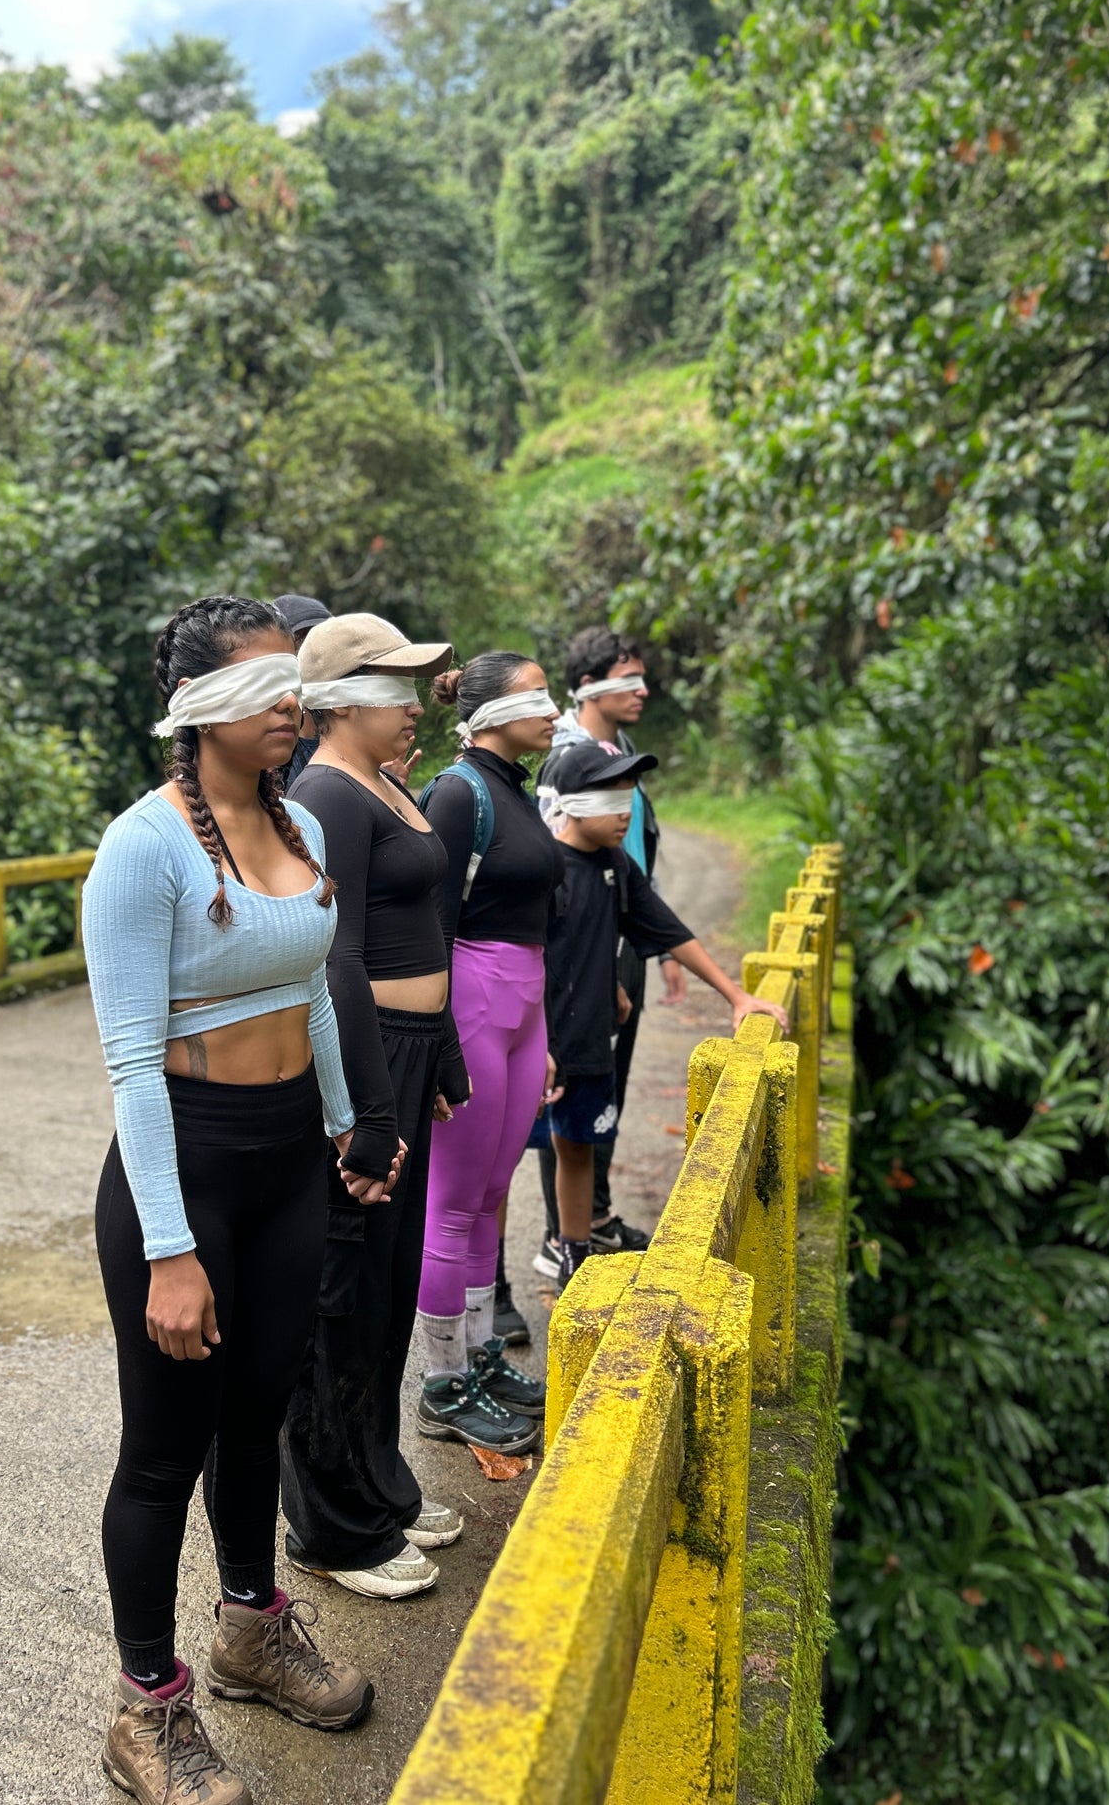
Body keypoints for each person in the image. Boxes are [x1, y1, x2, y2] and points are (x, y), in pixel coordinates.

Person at [83, 596, 391, 1805]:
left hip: (283, 1164)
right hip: (187, 1168)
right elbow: (128, 1062)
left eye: (297, 688)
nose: (293, 708)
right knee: (163, 1450)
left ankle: (250, 1629)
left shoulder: (302, 820)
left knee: (260, 1409)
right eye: (268, 690)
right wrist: (169, 1247)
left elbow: (308, 983)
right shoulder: (142, 847)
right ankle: (146, 1710)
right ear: (196, 710)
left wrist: (339, 1130)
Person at [280, 613, 474, 1600]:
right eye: (396, 688)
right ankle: (329, 1524)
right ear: (343, 702)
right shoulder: (324, 794)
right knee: (341, 1300)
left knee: (386, 1295)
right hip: (361, 1062)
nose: (412, 705)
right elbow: (335, 954)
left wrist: (438, 1056)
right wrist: (366, 1104)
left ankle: (379, 1483)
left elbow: (421, 931)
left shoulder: (385, 781)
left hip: (404, 1051)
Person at [542, 742, 790, 1289]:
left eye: (629, 797)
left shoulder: (615, 866)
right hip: (539, 1045)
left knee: (580, 1146)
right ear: (576, 804)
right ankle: (480, 1289)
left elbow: (671, 932)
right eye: (612, 798)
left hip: (590, 1040)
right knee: (505, 1159)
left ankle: (574, 1257)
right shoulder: (545, 868)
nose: (626, 811)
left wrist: (737, 997)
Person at [414, 652, 567, 1452]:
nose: (552, 708)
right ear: (483, 713)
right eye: (534, 696)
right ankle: (441, 1383)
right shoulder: (456, 792)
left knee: (493, 1188)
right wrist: (440, 1046)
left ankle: (477, 1356)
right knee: (453, 1195)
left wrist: (537, 1039)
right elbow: (431, 924)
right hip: (472, 995)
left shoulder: (514, 789)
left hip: (522, 1005)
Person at [527, 626, 684, 1285]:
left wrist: (653, 945)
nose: (642, 690)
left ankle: (590, 1218)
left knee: (599, 1084)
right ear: (587, 685)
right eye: (627, 679)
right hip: (584, 938)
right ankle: (560, 1233)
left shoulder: (616, 749)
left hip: (622, 930)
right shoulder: (565, 755)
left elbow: (633, 855)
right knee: (565, 1080)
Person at [272, 593, 331, 792]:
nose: (316, 655)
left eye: (325, 643)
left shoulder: (349, 730)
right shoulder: (272, 737)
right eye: (302, 643)